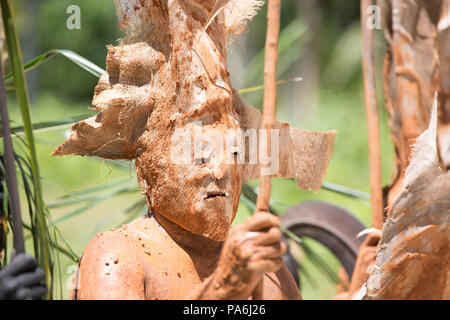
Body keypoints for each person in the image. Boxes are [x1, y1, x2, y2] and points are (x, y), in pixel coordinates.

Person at [54, 0, 335, 300]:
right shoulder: (118, 255)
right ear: (149, 168)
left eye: (234, 152)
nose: (220, 170)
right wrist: (222, 290)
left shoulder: (267, 269)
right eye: (199, 154)